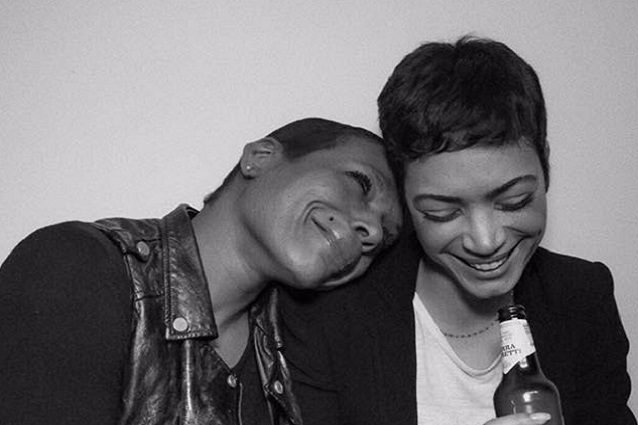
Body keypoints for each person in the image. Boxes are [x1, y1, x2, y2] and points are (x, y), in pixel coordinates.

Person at [281, 37, 636, 425]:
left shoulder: (581, 297)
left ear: (545, 164)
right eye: (443, 212)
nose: (486, 241)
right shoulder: (331, 312)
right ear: (403, 195)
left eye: (514, 200)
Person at [0, 118, 402, 425]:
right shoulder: (79, 265)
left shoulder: (298, 358)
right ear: (260, 157)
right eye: (361, 183)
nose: (371, 230)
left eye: (383, 237)